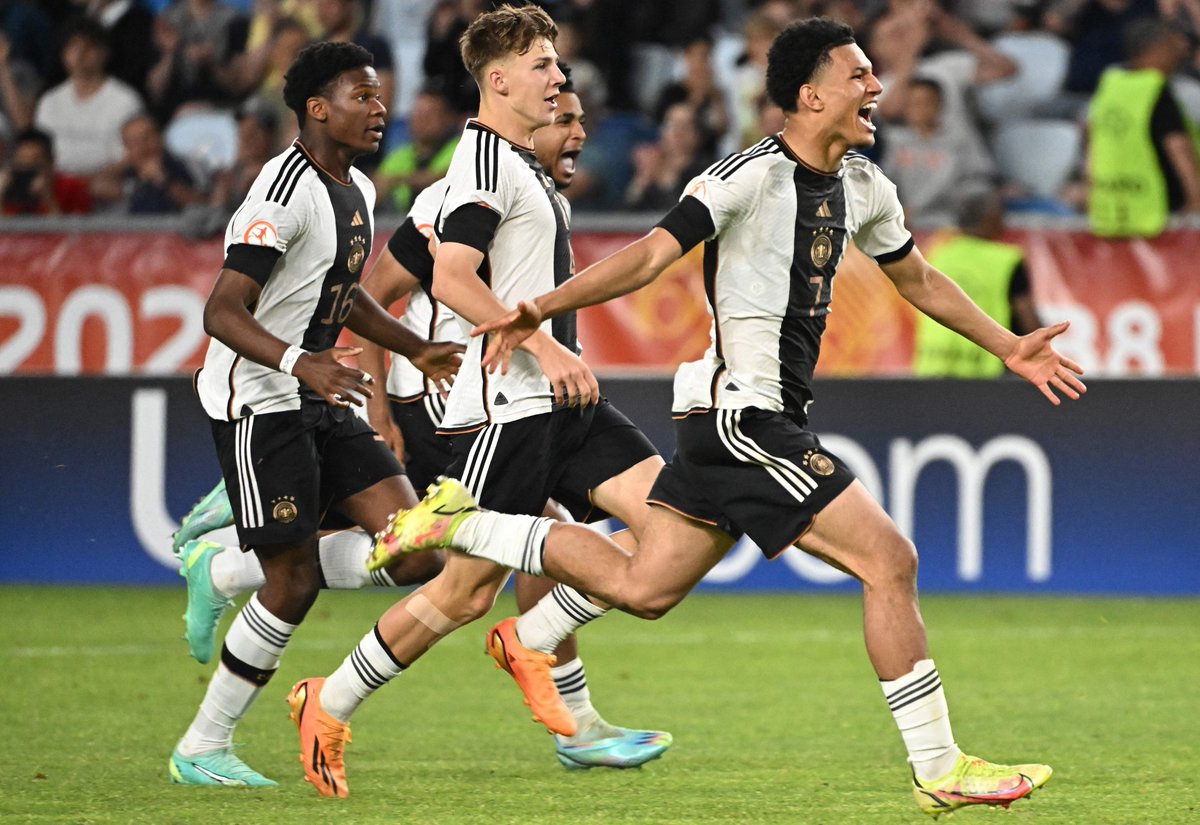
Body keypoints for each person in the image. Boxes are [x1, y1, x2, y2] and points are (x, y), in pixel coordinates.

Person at [381, 17, 1087, 818]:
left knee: (646, 588)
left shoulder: (866, 186)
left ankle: (477, 549)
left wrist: (1009, 345)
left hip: (755, 416)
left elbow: (917, 279)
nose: (877, 88)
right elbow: (651, 254)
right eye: (859, 76)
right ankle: (940, 765)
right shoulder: (746, 178)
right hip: (740, 417)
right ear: (810, 94)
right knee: (889, 560)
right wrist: (539, 310)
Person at [286, 5, 669, 798]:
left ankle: (533, 641)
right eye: (542, 65)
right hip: (510, 409)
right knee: (460, 590)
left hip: (566, 404)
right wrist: (544, 340)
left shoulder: (520, 164)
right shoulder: (482, 168)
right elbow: (454, 276)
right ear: (497, 80)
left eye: (557, 64)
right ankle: (331, 696)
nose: (558, 77)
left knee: (677, 530)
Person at [167, 39, 463, 789]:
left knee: (418, 551)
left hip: (317, 390)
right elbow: (221, 311)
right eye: (361, 96)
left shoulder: (356, 187)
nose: (379, 108)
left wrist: (414, 346)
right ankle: (203, 743)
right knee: (292, 581)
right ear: (315, 108)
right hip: (257, 401)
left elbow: (344, 291)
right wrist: (303, 362)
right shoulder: (278, 195)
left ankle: (224, 563)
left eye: (379, 95)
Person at [1087, 16, 1200, 237]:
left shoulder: (1111, 84)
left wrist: (1091, 194)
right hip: (1161, 209)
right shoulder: (1154, 88)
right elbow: (1178, 147)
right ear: (1155, 49)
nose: (1179, 52)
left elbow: (1092, 142)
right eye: (1172, 45)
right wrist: (1196, 199)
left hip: (1113, 209)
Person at [913, 190, 1040, 377]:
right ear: (990, 217)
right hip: (986, 373)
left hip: (933, 370)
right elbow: (1028, 321)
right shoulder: (1006, 260)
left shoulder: (937, 255)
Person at [33, 17, 144, 180]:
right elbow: (37, 151)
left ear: (105, 52)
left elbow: (133, 155)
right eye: (73, 46)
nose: (79, 54)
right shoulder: (49, 101)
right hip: (57, 190)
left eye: (88, 47)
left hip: (109, 188)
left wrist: (85, 184)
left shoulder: (126, 100)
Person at [879, 77, 995, 227]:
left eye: (926, 102)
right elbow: (885, 181)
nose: (920, 109)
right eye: (913, 103)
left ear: (940, 105)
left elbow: (980, 181)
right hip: (903, 225)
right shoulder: (894, 141)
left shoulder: (959, 140)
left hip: (950, 223)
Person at [373, 80, 460, 212]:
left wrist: (397, 180)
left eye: (429, 115)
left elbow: (446, 179)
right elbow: (375, 188)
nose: (420, 120)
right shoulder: (400, 154)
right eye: (417, 113)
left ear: (448, 118)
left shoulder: (461, 147)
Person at [0, 127, 91, 214]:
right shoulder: (9, 188)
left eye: (35, 165)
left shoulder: (72, 189)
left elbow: (78, 228)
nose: (27, 170)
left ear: (51, 161)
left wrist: (47, 198)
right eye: (22, 165)